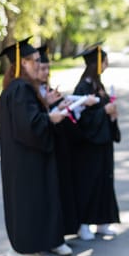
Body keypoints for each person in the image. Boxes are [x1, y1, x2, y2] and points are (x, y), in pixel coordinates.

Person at [0, 37, 72, 256]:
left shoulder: (13, 88)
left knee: (19, 203)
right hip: (28, 161)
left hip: (17, 160)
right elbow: (29, 126)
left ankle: (18, 245)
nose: (39, 65)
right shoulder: (21, 89)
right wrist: (50, 117)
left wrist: (45, 105)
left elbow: (24, 120)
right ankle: (27, 253)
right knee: (30, 203)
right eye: (34, 61)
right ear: (23, 63)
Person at [71, 43, 121, 240]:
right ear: (96, 63)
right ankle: (83, 224)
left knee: (104, 181)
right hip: (89, 145)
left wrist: (112, 114)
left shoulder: (97, 85)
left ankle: (102, 222)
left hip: (103, 142)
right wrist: (103, 111)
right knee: (88, 183)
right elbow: (82, 118)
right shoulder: (82, 87)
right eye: (105, 61)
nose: (106, 65)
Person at [36, 45, 80, 236]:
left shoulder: (50, 90)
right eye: (42, 68)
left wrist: (62, 106)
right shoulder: (29, 93)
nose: (45, 72)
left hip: (58, 148)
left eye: (47, 69)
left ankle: (62, 233)